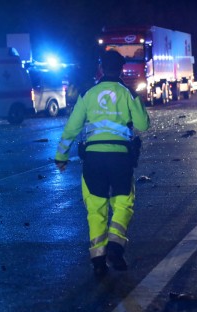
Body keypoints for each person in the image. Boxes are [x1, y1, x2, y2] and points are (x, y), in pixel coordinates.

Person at [54, 50, 150, 278]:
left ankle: (98, 260)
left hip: (93, 159)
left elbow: (72, 127)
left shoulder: (88, 93)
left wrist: (61, 156)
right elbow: (143, 125)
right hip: (120, 159)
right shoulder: (128, 92)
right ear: (121, 69)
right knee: (123, 203)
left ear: (100, 69)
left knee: (95, 208)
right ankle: (116, 248)